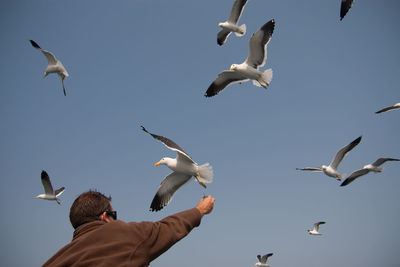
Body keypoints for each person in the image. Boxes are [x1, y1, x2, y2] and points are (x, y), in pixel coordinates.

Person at [43, 190, 215, 267]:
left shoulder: (57, 258)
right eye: (114, 215)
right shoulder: (121, 236)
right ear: (105, 217)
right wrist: (199, 210)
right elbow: (167, 228)